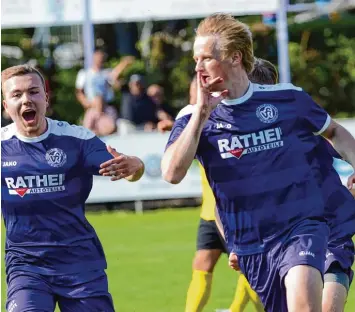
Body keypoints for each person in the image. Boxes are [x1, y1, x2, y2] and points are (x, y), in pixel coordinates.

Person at [161, 13, 355, 312]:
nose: (197, 67)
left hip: (302, 227)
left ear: (234, 57)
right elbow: (171, 173)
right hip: (251, 243)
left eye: (206, 58)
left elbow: (335, 131)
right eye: (195, 59)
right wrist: (201, 115)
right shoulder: (191, 118)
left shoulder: (287, 99)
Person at [1, 64, 145, 311]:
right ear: (6, 106)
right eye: (17, 95)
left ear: (45, 98)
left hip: (80, 263)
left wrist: (136, 166)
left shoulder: (76, 139)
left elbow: (122, 167)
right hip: (27, 266)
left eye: (33, 92)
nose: (26, 100)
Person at [185, 58, 276, 312]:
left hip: (238, 211)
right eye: (195, 90)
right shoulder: (194, 121)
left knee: (250, 268)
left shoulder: (231, 119)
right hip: (210, 210)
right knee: (203, 262)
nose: (197, 94)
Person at [75, 49, 134, 136]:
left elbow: (115, 75)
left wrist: (124, 64)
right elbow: (79, 91)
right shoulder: (84, 73)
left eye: (102, 58)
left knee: (111, 128)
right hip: (92, 107)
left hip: (106, 107)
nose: (100, 60)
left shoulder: (106, 73)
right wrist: (85, 102)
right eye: (98, 57)